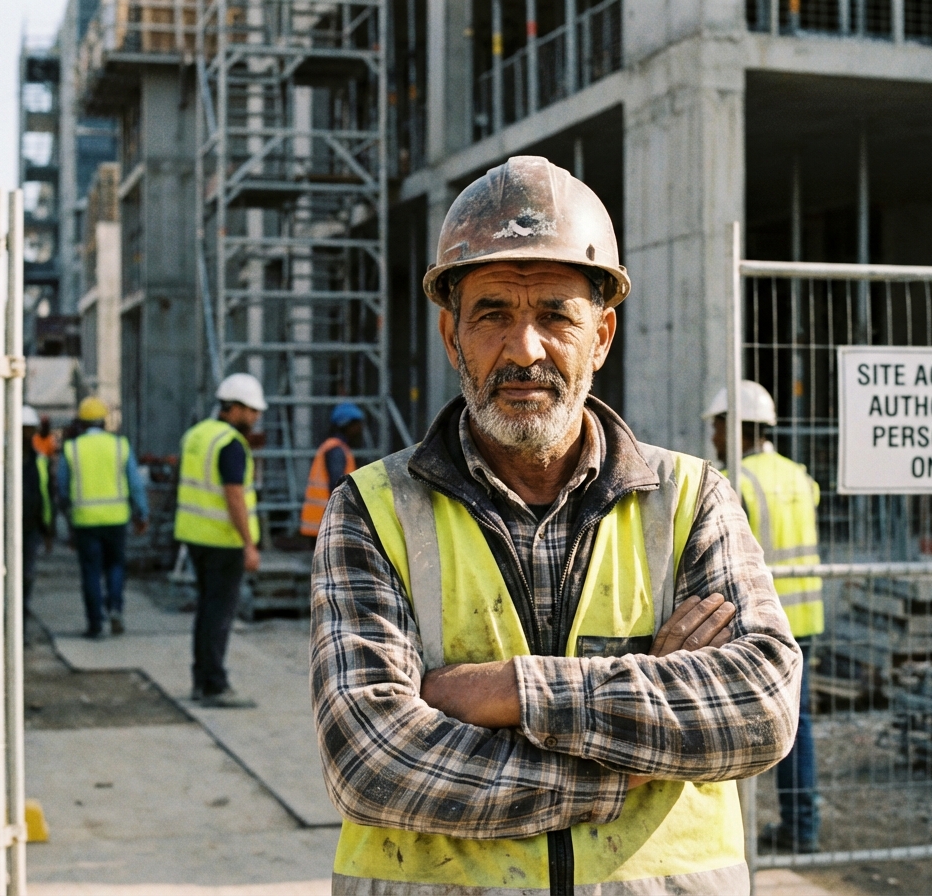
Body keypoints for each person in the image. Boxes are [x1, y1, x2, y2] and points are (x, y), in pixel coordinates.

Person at [311, 155, 802, 895]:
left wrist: (513, 692)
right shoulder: (372, 513)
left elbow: (760, 709)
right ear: (453, 337)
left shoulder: (691, 500)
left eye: (555, 316)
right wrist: (637, 764)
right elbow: (374, 761)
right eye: (493, 315)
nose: (525, 350)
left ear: (601, 336)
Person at [704, 379, 825, 855]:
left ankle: (748, 837)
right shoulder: (797, 474)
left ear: (736, 428)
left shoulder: (738, 481)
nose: (713, 436)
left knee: (752, 726)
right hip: (809, 615)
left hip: (763, 624)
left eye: (717, 426)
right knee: (801, 725)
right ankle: (802, 825)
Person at [173, 372, 265, 708]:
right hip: (223, 542)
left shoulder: (196, 435)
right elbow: (234, 496)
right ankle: (213, 684)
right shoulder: (230, 444)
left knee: (206, 611)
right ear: (235, 408)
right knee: (219, 614)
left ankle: (202, 679)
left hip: (194, 537)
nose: (255, 418)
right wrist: (248, 544)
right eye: (251, 410)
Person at [57, 396, 149, 639]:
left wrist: (66, 519)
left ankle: (95, 623)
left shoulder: (71, 448)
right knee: (116, 566)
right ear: (104, 422)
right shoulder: (120, 446)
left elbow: (62, 488)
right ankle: (116, 608)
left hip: (84, 520)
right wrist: (142, 513)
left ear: (81, 422)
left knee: (90, 572)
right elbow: (135, 483)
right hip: (116, 519)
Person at [299, 402, 364, 539]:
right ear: (346, 425)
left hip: (322, 520)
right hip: (327, 522)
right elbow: (337, 485)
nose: (359, 430)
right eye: (356, 425)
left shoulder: (334, 447)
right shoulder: (336, 450)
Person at [21, 404, 54, 616]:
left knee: (27, 573)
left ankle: (22, 609)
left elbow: (47, 496)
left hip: (32, 527)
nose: (27, 433)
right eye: (24, 428)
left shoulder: (40, 461)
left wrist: (48, 529)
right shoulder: (1, 459)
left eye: (30, 428)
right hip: (6, 526)